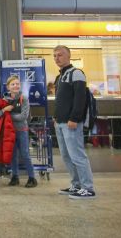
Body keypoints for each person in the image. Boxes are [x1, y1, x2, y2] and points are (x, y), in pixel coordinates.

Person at [52, 45, 96, 199]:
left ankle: (88, 188)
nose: (57, 58)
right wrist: (56, 117)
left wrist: (74, 118)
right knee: (66, 156)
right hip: (61, 123)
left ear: (69, 56)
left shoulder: (76, 73)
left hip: (71, 123)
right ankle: (76, 185)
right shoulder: (60, 77)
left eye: (60, 55)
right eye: (55, 56)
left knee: (77, 155)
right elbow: (61, 100)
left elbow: (80, 98)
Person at [1, 76, 37, 188]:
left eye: (17, 84)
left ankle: (32, 178)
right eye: (13, 84)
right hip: (9, 132)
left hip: (22, 130)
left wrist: (8, 115)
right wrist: (3, 110)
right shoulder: (4, 100)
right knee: (13, 155)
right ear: (8, 87)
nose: (15, 86)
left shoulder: (24, 98)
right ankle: (14, 177)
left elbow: (24, 116)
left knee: (25, 154)